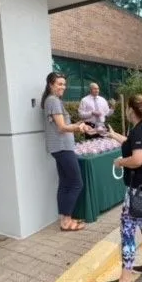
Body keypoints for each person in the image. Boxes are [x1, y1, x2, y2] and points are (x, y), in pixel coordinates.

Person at [104, 95, 142, 282]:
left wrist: (120, 162)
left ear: (131, 110)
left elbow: (138, 158)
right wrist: (114, 136)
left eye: (127, 109)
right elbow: (132, 143)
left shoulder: (139, 131)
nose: (126, 111)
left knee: (127, 230)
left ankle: (125, 279)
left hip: (137, 188)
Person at [41, 72, 91, 232]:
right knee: (76, 183)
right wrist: (79, 127)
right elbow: (62, 127)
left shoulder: (51, 101)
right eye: (59, 84)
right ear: (51, 84)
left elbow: (61, 125)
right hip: (63, 148)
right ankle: (67, 221)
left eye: (64, 84)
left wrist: (78, 124)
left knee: (65, 184)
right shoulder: (53, 101)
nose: (63, 86)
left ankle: (64, 219)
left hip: (59, 148)